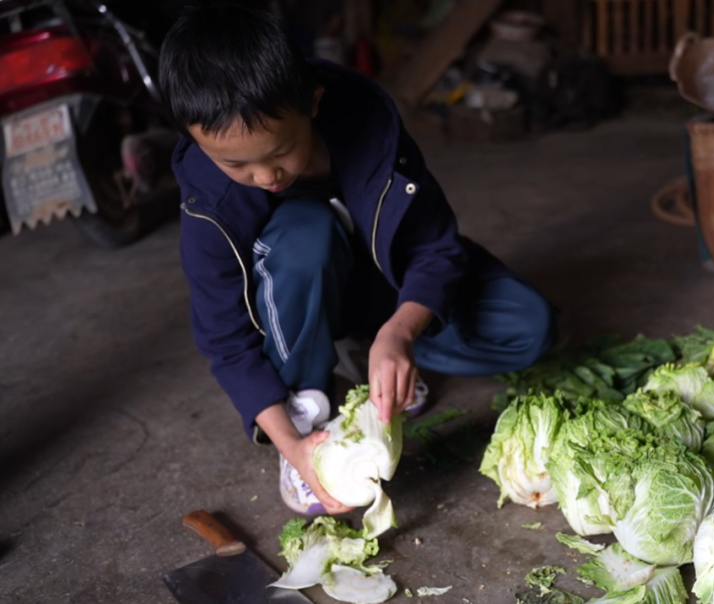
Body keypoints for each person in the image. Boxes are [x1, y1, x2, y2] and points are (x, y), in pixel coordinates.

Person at [159, 4, 557, 516]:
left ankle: (375, 360)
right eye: (235, 163)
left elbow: (436, 247)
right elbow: (226, 341)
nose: (264, 175)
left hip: (381, 290)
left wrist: (400, 334)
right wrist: (292, 446)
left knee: (528, 326)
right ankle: (313, 409)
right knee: (305, 233)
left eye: (280, 150)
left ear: (314, 103)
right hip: (296, 302)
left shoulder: (370, 126)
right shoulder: (208, 198)